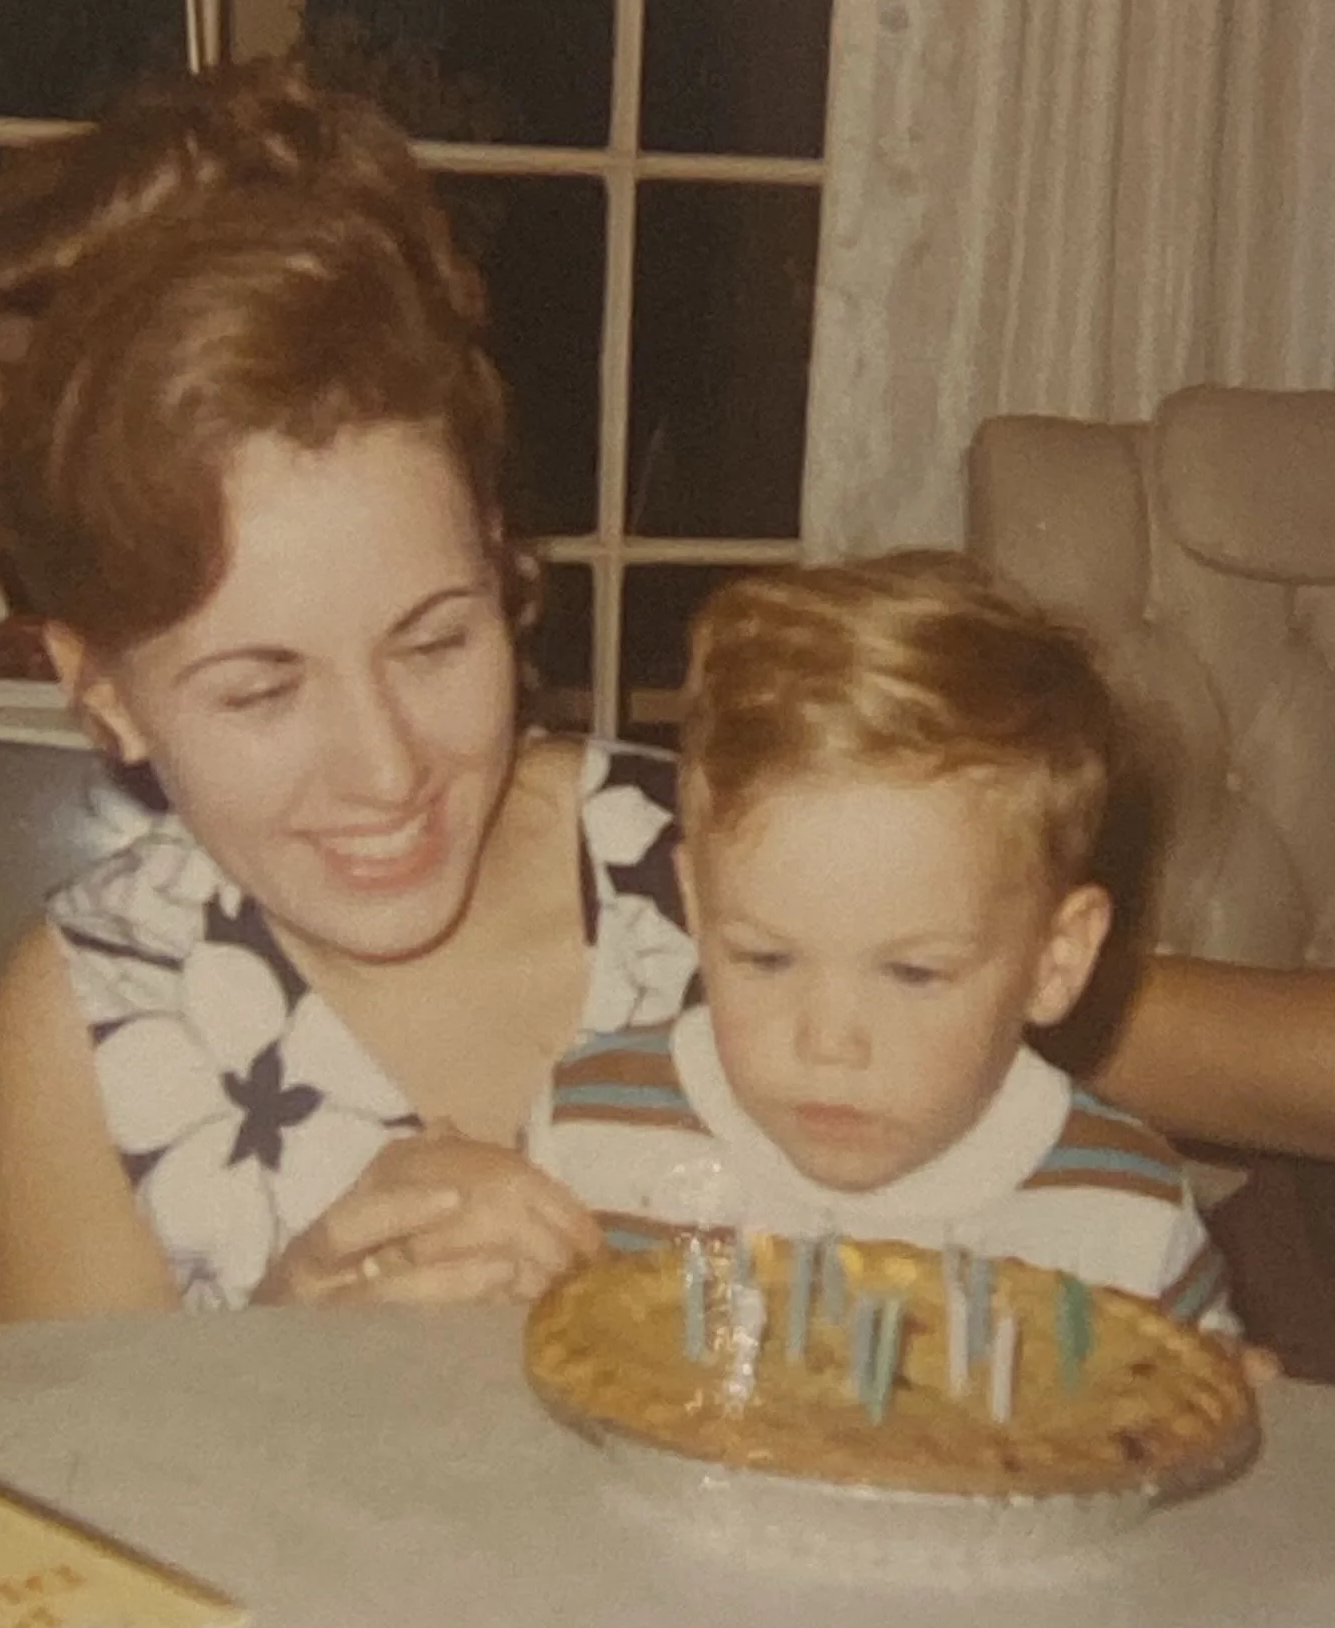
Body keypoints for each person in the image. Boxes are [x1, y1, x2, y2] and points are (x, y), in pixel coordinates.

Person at [0, 55, 1335, 1326]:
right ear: (104, 693)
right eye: (258, 690)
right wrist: (290, 1354)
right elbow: (79, 1533)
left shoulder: (724, 859)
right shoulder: (94, 1010)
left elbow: (1234, 1047)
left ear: (499, 563)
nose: (383, 767)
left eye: (432, 640)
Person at [527, 553, 1234, 1329]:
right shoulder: (590, 1132)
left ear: (1054, 958)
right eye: (764, 957)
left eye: (912, 971)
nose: (828, 1043)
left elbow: (1185, 1425)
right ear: (696, 905)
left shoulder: (1126, 1219)